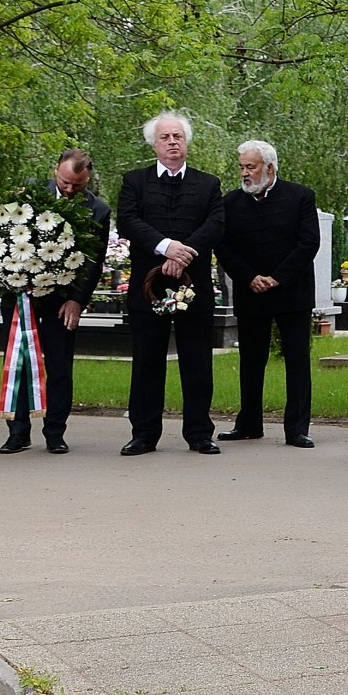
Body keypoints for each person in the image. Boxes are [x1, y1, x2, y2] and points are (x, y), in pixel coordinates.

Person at [114, 112, 225, 456]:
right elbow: (128, 221)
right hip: (149, 287)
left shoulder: (208, 184)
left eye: (178, 136)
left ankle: (199, 433)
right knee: (147, 362)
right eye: (166, 137)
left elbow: (217, 222)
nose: (172, 142)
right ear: (154, 143)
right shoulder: (135, 181)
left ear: (187, 142)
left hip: (194, 286)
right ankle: (144, 434)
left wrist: (182, 255)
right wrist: (165, 247)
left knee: (196, 361)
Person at [0, 149, 110, 455]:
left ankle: (55, 433)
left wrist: (77, 300)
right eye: (65, 182)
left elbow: (93, 262)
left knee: (59, 366)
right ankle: (18, 432)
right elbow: (5, 236)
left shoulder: (97, 209)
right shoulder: (27, 195)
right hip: (22, 295)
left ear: (87, 179)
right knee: (20, 364)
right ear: (55, 170)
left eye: (78, 185)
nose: (70, 189)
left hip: (62, 301)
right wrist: (12, 276)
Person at [216, 140, 320, 448]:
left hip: (292, 292)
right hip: (252, 292)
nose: (245, 173)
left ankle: (297, 428)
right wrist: (249, 277)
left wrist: (277, 278)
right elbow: (224, 246)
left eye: (251, 167)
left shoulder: (300, 196)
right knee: (251, 360)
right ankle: (248, 423)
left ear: (270, 168)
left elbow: (308, 243)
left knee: (297, 361)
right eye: (242, 167)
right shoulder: (230, 202)